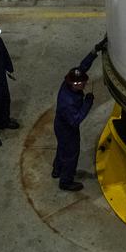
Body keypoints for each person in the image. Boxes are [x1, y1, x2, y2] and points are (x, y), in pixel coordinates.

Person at [52, 38, 107, 191]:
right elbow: (75, 120)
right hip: (67, 129)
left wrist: (95, 50)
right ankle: (66, 181)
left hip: (60, 125)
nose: (85, 84)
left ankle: (57, 169)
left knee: (62, 148)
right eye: (82, 83)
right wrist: (87, 102)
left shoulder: (69, 80)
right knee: (71, 154)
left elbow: (83, 66)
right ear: (75, 84)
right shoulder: (68, 102)